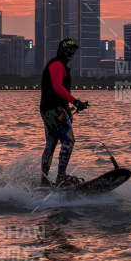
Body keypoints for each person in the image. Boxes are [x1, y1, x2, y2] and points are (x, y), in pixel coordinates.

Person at [39, 37, 89, 187]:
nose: (71, 54)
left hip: (51, 110)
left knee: (51, 144)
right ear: (62, 51)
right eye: (69, 51)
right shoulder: (57, 65)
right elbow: (57, 88)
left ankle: (44, 182)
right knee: (68, 141)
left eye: (73, 52)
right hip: (54, 111)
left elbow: (58, 93)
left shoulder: (59, 65)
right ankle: (61, 177)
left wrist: (69, 108)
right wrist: (75, 101)